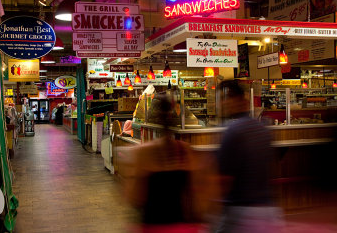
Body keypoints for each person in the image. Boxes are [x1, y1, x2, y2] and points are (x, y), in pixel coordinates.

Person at [121, 94, 219, 233]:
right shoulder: (186, 151)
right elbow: (201, 199)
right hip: (183, 227)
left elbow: (134, 197)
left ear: (154, 120)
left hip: (153, 226)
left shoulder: (143, 153)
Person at [214, 80, 283, 233]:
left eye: (224, 99)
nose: (221, 104)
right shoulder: (263, 129)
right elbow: (272, 170)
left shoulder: (232, 132)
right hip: (267, 210)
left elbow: (225, 181)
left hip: (242, 214)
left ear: (236, 100)